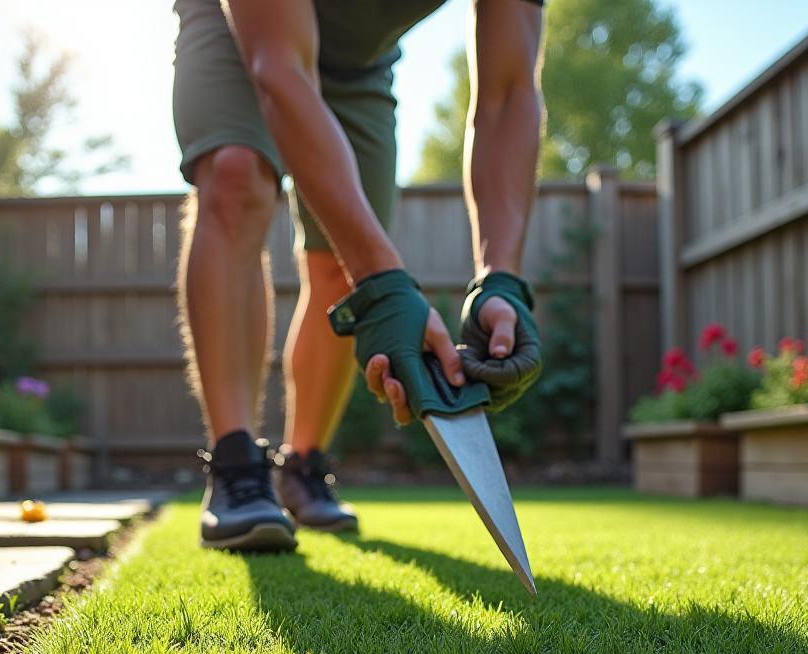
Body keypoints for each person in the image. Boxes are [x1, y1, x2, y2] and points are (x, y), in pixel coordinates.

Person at [174, 0, 546, 550]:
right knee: (236, 177)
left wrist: (502, 280)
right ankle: (234, 464)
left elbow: (509, 95)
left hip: (359, 67)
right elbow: (278, 68)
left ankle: (303, 466)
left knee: (341, 271)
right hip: (240, 27)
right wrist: (385, 281)